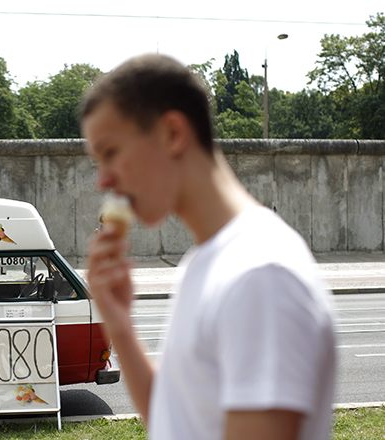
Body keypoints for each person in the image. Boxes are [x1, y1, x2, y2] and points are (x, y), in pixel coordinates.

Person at [82, 54, 335, 440]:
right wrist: (120, 323)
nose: (103, 181)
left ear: (172, 133)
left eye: (110, 152)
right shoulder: (204, 261)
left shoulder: (260, 274)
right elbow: (177, 421)